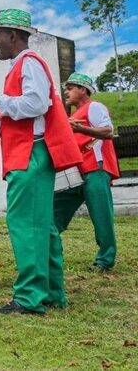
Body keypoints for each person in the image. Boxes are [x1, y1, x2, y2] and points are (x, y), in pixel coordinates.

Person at [0, 9, 82, 315]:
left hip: (31, 154)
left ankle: (28, 297)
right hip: (29, 151)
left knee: (25, 224)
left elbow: (38, 103)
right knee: (41, 225)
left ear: (13, 35)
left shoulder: (29, 62)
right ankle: (50, 292)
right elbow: (27, 112)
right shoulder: (21, 65)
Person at [54, 72, 120, 272]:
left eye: (71, 88)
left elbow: (108, 132)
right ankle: (50, 253)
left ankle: (105, 261)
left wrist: (79, 130)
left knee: (101, 216)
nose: (66, 92)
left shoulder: (94, 107)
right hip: (75, 172)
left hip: (95, 168)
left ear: (83, 90)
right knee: (53, 214)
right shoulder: (72, 117)